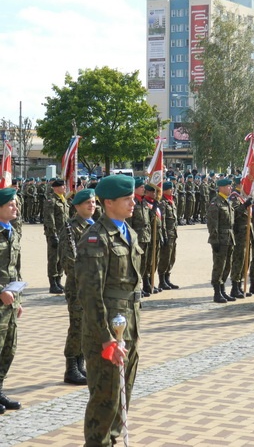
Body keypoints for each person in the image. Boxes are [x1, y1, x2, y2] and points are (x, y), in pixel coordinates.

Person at [76, 175, 142, 447]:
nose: (133, 203)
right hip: (107, 330)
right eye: (127, 199)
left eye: (132, 197)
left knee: (123, 393)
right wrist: (105, 338)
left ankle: (112, 440)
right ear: (109, 202)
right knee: (106, 397)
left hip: (128, 323)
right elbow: (90, 295)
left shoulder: (128, 231)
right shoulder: (96, 238)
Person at [59, 188, 96, 385]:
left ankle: (81, 364)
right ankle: (71, 368)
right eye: (87, 203)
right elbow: (69, 261)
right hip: (78, 286)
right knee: (77, 325)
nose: (92, 205)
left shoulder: (97, 226)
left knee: (87, 325)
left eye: (94, 202)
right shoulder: (70, 228)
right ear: (77, 206)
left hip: (93, 286)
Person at [0, 187, 23, 413]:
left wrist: (18, 298)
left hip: (10, 302)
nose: (15, 207)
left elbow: (15, 269)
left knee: (9, 349)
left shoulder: (12, 232)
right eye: (10, 205)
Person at [207, 177, 235, 303]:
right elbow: (212, 224)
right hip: (220, 239)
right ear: (221, 188)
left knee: (227, 265)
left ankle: (223, 290)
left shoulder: (227, 202)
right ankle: (217, 292)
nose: (230, 188)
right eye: (228, 186)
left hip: (229, 237)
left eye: (230, 186)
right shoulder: (216, 203)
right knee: (219, 265)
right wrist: (214, 240)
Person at [43, 178, 69, 294]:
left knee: (62, 257)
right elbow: (49, 218)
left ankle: (58, 280)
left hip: (63, 233)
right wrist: (53, 235)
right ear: (56, 188)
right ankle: (52, 283)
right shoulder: (51, 200)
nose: (65, 188)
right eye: (62, 186)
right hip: (54, 233)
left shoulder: (63, 200)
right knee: (54, 258)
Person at [158, 180, 179, 289]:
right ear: (165, 190)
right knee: (165, 258)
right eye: (170, 189)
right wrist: (164, 235)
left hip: (173, 234)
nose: (172, 190)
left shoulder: (172, 201)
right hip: (167, 234)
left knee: (172, 257)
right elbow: (163, 220)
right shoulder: (163, 202)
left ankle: (167, 278)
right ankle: (162, 280)